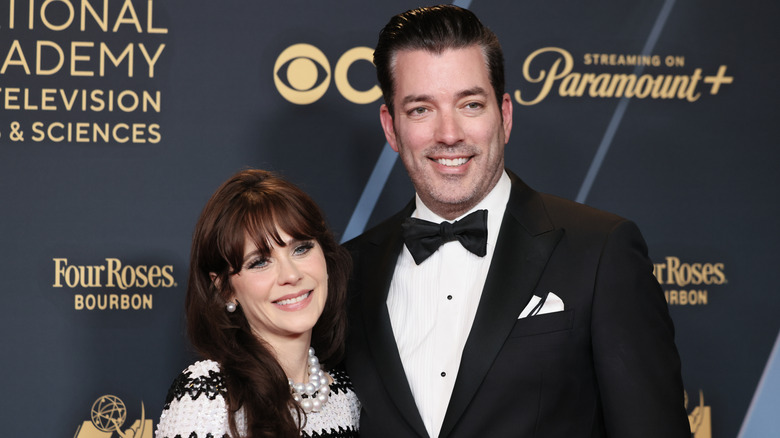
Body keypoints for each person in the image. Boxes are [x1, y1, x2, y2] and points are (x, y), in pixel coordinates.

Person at [343, 5, 690, 438]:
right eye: (420, 110)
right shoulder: (346, 271)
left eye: (470, 104)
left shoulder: (600, 251)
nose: (449, 133)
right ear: (391, 128)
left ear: (504, 116)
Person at [156, 169, 360, 438]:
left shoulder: (348, 397)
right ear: (225, 289)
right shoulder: (209, 395)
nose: (291, 275)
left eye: (301, 248)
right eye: (260, 262)